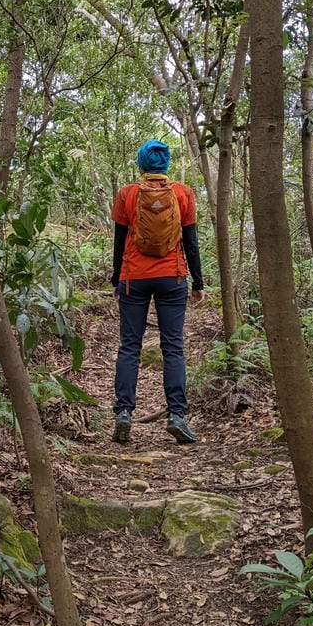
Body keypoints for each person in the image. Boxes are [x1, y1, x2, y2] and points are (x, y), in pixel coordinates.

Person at [110, 139, 205, 445]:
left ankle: (124, 413)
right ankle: (177, 416)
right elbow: (191, 242)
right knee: (173, 348)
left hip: (133, 278)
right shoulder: (183, 193)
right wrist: (198, 282)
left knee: (130, 347)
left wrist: (116, 279)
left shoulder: (127, 194)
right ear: (166, 164)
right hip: (172, 277)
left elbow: (119, 242)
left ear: (141, 164)